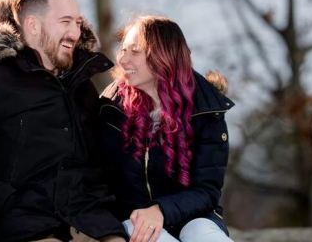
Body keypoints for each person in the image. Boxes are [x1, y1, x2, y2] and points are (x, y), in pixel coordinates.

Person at [0, 0, 127, 242]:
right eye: (64, 22)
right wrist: (8, 203)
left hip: (91, 222)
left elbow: (103, 162)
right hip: (19, 227)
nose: (75, 32)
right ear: (33, 25)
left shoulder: (81, 85)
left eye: (76, 22)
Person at [99, 16, 235, 242]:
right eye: (123, 50)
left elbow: (207, 191)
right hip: (131, 220)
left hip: (193, 217)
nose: (123, 59)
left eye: (135, 51)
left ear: (164, 56)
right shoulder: (111, 108)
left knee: (203, 232)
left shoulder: (207, 110)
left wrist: (161, 210)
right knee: (147, 232)